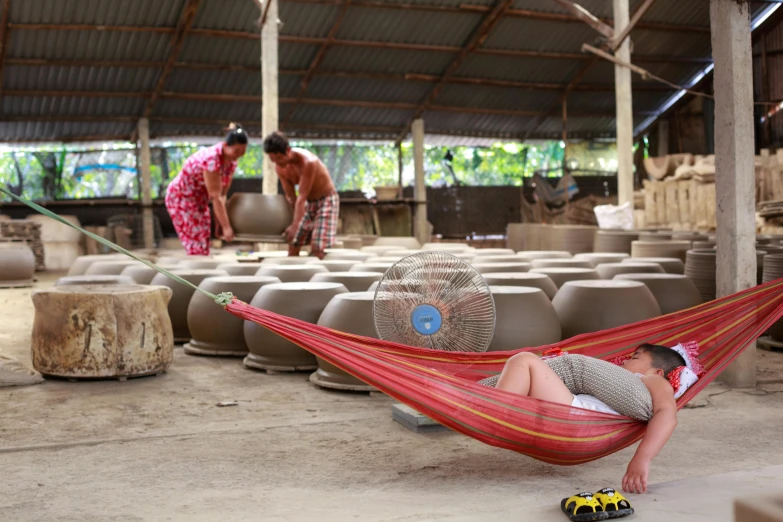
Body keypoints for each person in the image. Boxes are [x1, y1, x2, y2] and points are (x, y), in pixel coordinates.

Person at [490, 343, 690, 495]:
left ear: (657, 371)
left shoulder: (654, 380)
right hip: (568, 411)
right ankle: (485, 406)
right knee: (524, 371)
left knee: (524, 360)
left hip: (573, 414)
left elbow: (667, 415)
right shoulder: (614, 384)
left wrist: (642, 458)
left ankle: (492, 414)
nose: (624, 361)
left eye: (634, 357)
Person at [164, 123, 248, 255]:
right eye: (236, 151)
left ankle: (199, 266)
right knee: (195, 242)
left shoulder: (231, 163)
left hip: (200, 201)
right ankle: (193, 272)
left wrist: (220, 221)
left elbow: (223, 194)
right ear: (226, 145)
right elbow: (216, 197)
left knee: (204, 240)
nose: (238, 155)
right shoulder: (211, 159)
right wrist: (226, 227)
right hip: (181, 199)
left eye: (242, 152)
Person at [262, 131, 339, 260]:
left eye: (279, 158)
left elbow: (301, 196)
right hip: (308, 202)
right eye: (273, 160)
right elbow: (292, 197)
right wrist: (293, 225)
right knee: (294, 243)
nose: (277, 163)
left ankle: (319, 274)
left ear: (288, 150)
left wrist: (295, 225)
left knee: (318, 247)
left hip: (326, 199)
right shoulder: (279, 168)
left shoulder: (308, 162)